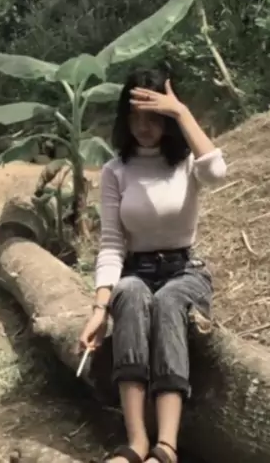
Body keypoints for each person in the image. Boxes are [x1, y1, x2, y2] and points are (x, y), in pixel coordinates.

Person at [79, 66, 227, 463]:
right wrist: (99, 310)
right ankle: (136, 442)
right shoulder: (116, 170)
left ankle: (167, 447)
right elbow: (112, 243)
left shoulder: (186, 162)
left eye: (154, 116)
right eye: (135, 117)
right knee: (127, 293)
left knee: (168, 302)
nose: (143, 127)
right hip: (136, 271)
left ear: (167, 117)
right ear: (124, 119)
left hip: (185, 271)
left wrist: (181, 111)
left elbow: (217, 172)